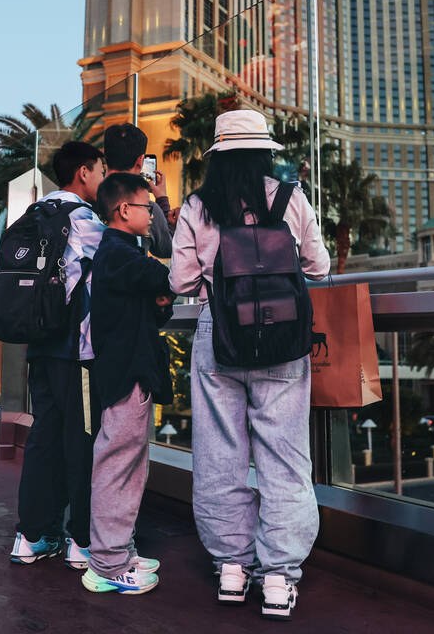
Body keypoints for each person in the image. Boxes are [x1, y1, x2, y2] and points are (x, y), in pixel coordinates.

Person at [169, 109, 330, 620]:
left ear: (217, 154)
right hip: (283, 336)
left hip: (221, 335)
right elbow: (319, 267)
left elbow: (180, 283)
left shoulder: (199, 204)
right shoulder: (290, 197)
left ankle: (232, 569)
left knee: (220, 454)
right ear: (265, 152)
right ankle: (279, 577)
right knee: (284, 455)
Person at [8, 141, 106, 569]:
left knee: (44, 437)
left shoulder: (32, 216)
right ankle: (82, 542)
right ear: (83, 172)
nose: (102, 178)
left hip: (39, 347)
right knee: (81, 441)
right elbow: (119, 263)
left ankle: (31, 536)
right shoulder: (83, 219)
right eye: (100, 170)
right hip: (77, 350)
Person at [81, 173, 172, 595]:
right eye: (147, 207)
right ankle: (107, 565)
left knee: (130, 462)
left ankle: (118, 549)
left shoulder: (120, 253)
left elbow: (156, 303)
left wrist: (157, 297)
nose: (152, 214)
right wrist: (159, 287)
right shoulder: (117, 252)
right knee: (118, 462)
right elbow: (164, 277)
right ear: (123, 210)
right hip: (124, 373)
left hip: (129, 369)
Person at [102, 122, 175, 258]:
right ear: (140, 161)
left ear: (105, 157)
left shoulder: (89, 197)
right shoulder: (144, 208)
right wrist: (162, 200)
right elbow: (167, 249)